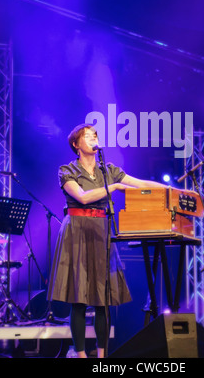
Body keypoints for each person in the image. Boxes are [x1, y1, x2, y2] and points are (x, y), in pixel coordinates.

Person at [47, 123, 165, 358]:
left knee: (103, 300)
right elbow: (82, 197)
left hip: (102, 231)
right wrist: (115, 186)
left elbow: (139, 184)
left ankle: (102, 357)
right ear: (76, 144)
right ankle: (81, 356)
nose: (93, 138)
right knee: (78, 299)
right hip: (76, 232)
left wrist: (169, 190)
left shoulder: (108, 170)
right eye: (87, 136)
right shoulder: (67, 170)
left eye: (95, 135)